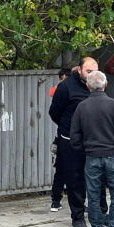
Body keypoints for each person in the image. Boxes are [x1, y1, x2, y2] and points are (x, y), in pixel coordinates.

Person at [70, 71, 114, 227]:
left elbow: (74, 137)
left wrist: (85, 149)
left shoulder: (82, 107)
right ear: (106, 84)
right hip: (113, 154)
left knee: (94, 195)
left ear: (88, 86)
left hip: (92, 156)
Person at [49, 57, 107, 227]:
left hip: (94, 140)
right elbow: (54, 113)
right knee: (75, 180)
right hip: (70, 141)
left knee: (98, 178)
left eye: (95, 71)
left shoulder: (99, 83)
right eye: (88, 71)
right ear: (80, 70)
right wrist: (70, 128)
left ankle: (102, 215)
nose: (92, 75)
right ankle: (78, 216)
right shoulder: (65, 87)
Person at [49, 67, 71, 212]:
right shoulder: (61, 90)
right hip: (63, 135)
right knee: (62, 169)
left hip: (63, 134)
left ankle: (56, 201)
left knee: (62, 170)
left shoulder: (64, 89)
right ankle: (56, 200)